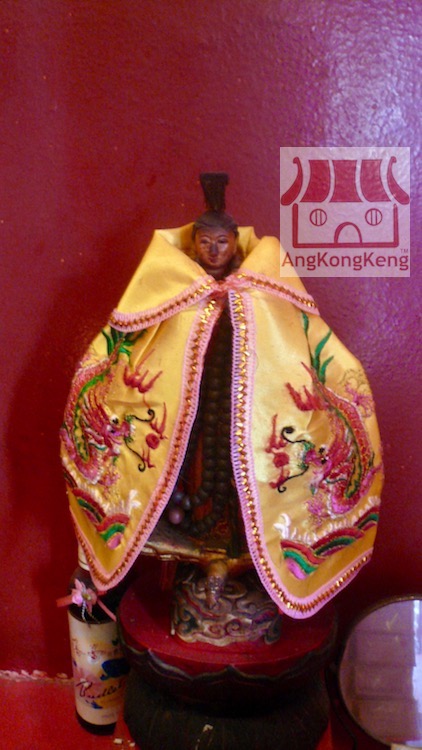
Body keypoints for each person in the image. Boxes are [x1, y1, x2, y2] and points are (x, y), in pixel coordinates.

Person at [60, 174, 383, 632]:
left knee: (241, 483)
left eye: (222, 243)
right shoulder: (170, 289)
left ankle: (245, 551)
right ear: (193, 246)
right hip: (189, 418)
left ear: (234, 244)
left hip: (246, 415)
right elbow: (129, 348)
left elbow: (301, 342)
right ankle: (199, 545)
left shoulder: (264, 287)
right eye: (205, 243)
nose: (214, 252)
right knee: (191, 476)